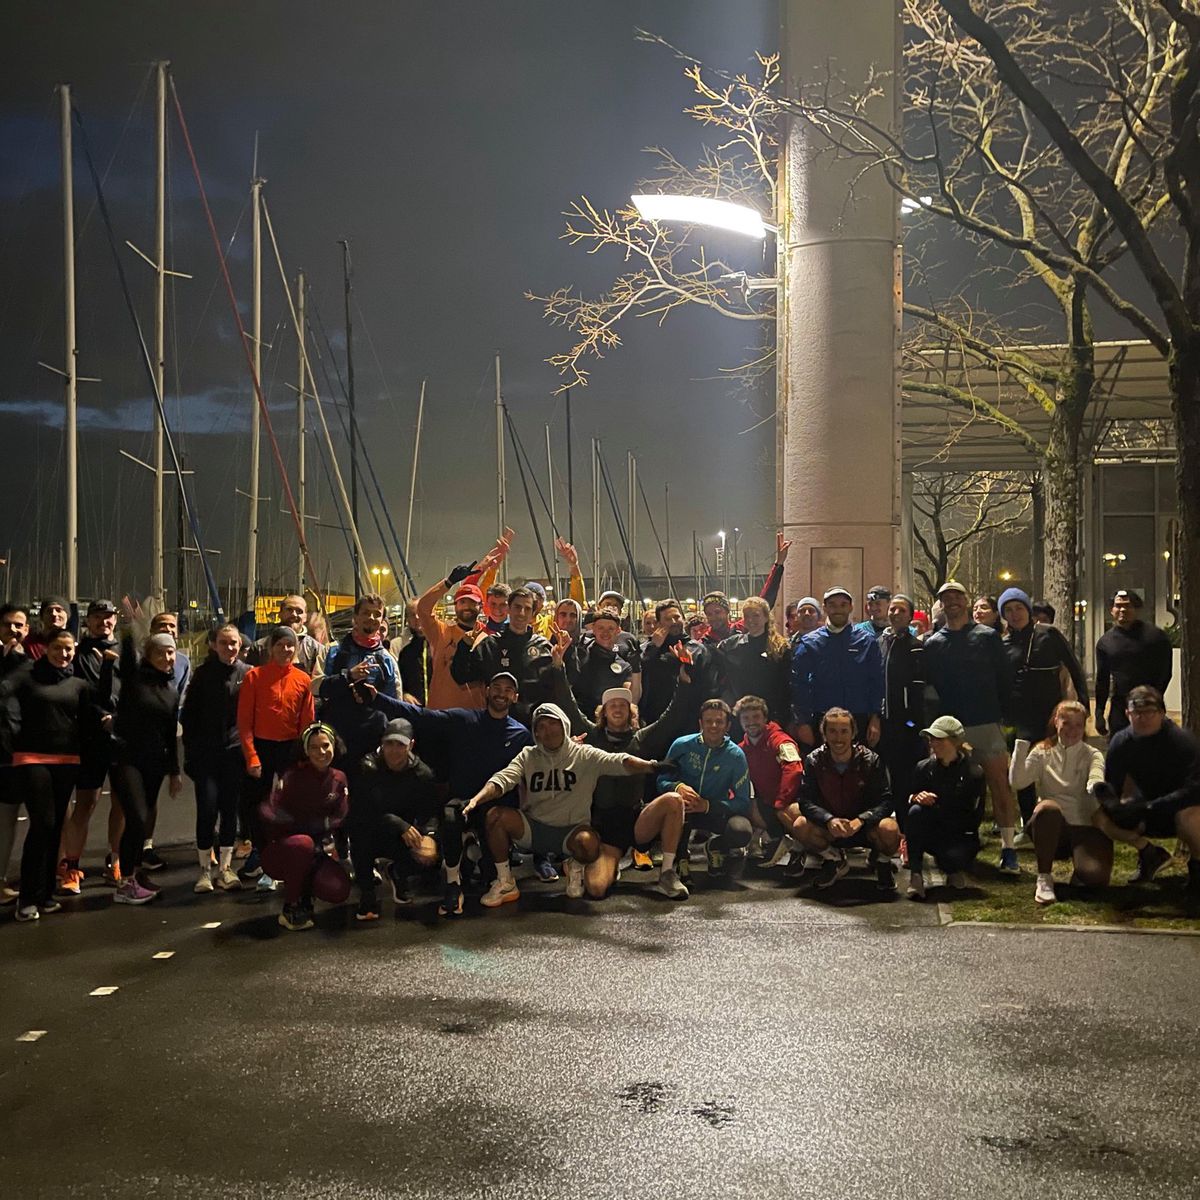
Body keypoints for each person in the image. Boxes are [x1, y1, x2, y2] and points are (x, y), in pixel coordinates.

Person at [461, 702, 662, 908]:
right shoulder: (528, 755)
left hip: (570, 832)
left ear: (564, 724)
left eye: (552, 723)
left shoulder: (584, 754)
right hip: (534, 829)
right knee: (495, 815)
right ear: (536, 733)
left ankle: (576, 865)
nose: (547, 730)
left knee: (589, 843)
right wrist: (477, 799)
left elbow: (620, 761)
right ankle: (505, 882)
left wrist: (653, 766)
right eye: (541, 727)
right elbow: (503, 779)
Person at [366, 672, 532, 916]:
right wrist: (377, 698)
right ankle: (453, 883)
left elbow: (537, 764)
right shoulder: (464, 719)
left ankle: (472, 852)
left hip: (494, 811)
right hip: (460, 802)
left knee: (489, 876)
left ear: (515, 697)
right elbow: (421, 715)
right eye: (496, 687)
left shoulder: (521, 735)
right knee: (450, 817)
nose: (501, 693)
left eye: (508, 689)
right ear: (486, 691)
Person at [549, 632, 698, 900]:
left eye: (623, 705)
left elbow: (672, 717)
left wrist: (684, 683)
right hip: (604, 826)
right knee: (595, 889)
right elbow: (568, 706)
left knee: (674, 801)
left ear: (631, 713)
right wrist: (558, 668)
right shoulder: (592, 736)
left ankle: (666, 873)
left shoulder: (641, 738)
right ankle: (610, 862)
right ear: (603, 712)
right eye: (611, 705)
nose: (617, 709)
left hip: (637, 819)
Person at [1, 629, 102, 921]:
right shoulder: (27, 675)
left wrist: (107, 666)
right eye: (58, 648)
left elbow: (92, 715)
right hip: (32, 759)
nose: (64, 654)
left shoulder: (78, 684)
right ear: (46, 649)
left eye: (69, 649)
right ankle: (27, 899)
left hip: (67, 760)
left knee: (57, 825)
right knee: (42, 823)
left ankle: (45, 895)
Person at [923, 579, 1019, 873]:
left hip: (986, 722)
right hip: (952, 730)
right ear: (941, 603)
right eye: (945, 598)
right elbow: (931, 688)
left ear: (966, 601)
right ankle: (954, 843)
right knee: (952, 789)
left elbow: (1004, 678)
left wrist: (1003, 716)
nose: (951, 602)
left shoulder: (988, 637)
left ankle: (1009, 848)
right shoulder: (933, 643)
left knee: (999, 787)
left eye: (956, 596)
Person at [998, 586, 1090, 833]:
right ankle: (1030, 826)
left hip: (1051, 716)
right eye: (1008, 610)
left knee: (1060, 768)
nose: (1015, 614)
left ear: (1028, 609)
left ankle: (1068, 820)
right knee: (1022, 774)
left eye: (1019, 608)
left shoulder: (1048, 635)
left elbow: (1074, 667)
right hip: (1019, 721)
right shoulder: (1003, 644)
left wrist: (1084, 705)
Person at [1093, 686, 1200, 893]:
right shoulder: (1121, 742)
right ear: (1127, 714)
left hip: (1182, 808)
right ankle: (1150, 854)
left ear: (1161, 713)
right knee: (1099, 817)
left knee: (1191, 818)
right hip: (1146, 808)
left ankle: (1197, 871)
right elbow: (1113, 784)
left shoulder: (1182, 742)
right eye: (1137, 713)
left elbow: (1195, 790)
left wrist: (1150, 807)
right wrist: (1113, 804)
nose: (1143, 718)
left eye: (1149, 712)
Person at [237, 625, 316, 889]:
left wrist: (305, 755)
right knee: (257, 807)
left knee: (288, 807)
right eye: (280, 645)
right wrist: (252, 757)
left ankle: (290, 855)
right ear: (271, 647)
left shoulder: (302, 679)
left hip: (290, 749)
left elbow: (307, 722)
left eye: (290, 645)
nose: (286, 650)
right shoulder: (254, 677)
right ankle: (263, 856)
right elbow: (245, 723)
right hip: (262, 747)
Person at [107, 631, 182, 906]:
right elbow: (127, 662)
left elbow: (170, 732)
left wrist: (174, 772)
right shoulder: (135, 680)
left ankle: (135, 874)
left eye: (171, 652)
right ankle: (125, 882)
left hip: (155, 763)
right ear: (148, 656)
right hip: (127, 760)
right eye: (160, 652)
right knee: (136, 818)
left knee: (145, 820)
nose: (167, 657)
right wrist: (129, 631)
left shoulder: (171, 691)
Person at [785, 708, 898, 891]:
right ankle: (834, 859)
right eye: (833, 731)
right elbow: (805, 801)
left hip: (863, 827)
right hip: (831, 828)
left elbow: (886, 801)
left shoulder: (871, 760)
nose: (838, 738)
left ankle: (882, 862)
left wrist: (862, 820)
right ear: (824, 734)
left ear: (853, 733)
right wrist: (828, 819)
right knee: (799, 825)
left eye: (844, 731)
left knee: (890, 829)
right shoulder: (814, 760)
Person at [1009, 700, 1108, 906]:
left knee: (1094, 877)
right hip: (1053, 826)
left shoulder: (1092, 754)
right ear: (1056, 722)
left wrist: (1095, 784)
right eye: (1067, 723)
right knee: (1047, 808)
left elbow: (1097, 773)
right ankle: (1044, 878)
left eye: (1078, 725)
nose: (1072, 730)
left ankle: (1081, 870)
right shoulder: (1042, 751)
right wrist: (1020, 747)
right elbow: (1018, 782)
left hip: (1084, 826)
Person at [56, 598, 122, 895]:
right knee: (86, 804)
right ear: (88, 620)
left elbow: (134, 690)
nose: (104, 622)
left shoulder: (126, 652)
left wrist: (120, 719)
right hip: (91, 739)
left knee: (121, 804)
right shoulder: (78, 653)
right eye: (98, 616)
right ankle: (72, 867)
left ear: (115, 621)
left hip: (120, 739)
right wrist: (101, 717)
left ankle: (116, 860)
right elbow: (83, 695)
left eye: (109, 617)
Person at [347, 718, 442, 920]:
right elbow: (361, 813)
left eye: (400, 744)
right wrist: (397, 823)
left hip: (403, 835)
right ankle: (367, 892)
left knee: (431, 855)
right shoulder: (368, 767)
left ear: (411, 745)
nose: (394, 750)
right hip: (373, 830)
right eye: (389, 743)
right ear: (382, 743)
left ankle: (398, 871)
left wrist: (430, 836)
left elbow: (430, 812)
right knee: (359, 834)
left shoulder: (422, 773)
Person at [260, 723, 351, 931]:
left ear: (334, 746)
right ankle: (291, 906)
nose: (321, 752)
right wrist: (301, 826)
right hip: (283, 851)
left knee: (339, 890)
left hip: (315, 852)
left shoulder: (339, 779)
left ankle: (306, 894)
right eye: (314, 747)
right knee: (303, 843)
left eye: (326, 746)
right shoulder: (292, 776)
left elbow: (341, 816)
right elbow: (268, 811)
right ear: (305, 751)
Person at [181, 624, 250, 894]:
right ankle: (204, 871)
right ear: (214, 644)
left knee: (230, 810)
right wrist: (190, 754)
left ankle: (225, 868)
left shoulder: (247, 673)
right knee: (207, 810)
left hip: (234, 754)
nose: (229, 648)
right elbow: (188, 717)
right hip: (206, 755)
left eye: (233, 643)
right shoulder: (202, 674)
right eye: (224, 642)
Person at [656, 699, 754, 881]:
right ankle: (681, 859)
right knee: (669, 814)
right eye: (708, 721)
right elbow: (661, 780)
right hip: (684, 810)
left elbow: (742, 802)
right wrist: (677, 786)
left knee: (741, 831)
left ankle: (716, 846)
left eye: (719, 722)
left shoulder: (736, 756)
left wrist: (708, 805)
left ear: (728, 726)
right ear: (700, 723)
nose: (714, 726)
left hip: (715, 811)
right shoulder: (682, 745)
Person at [790, 587, 884, 749]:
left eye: (843, 604)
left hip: (859, 718)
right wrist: (803, 722)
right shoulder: (810, 643)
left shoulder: (867, 641)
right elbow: (799, 684)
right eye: (832, 605)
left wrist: (875, 718)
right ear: (825, 608)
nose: (838, 609)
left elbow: (877, 681)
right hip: (822, 719)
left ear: (851, 607)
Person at [904, 715, 985, 900]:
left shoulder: (974, 772)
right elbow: (908, 797)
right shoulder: (924, 767)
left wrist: (938, 805)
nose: (933, 744)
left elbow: (974, 817)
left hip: (959, 835)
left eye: (939, 739)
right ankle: (916, 876)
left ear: (955, 742)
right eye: (931, 739)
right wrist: (917, 798)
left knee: (953, 859)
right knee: (915, 812)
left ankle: (954, 868)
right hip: (934, 831)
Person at [450, 586, 554, 724]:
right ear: (509, 609)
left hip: (534, 728)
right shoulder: (490, 645)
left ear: (533, 613)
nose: (521, 613)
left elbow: (556, 691)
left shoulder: (543, 647)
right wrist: (464, 646)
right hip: (497, 727)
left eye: (527, 608)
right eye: (517, 607)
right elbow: (461, 676)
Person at [878, 593, 926, 835]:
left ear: (910, 616)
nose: (896, 614)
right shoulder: (880, 642)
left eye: (902, 610)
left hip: (904, 725)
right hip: (880, 724)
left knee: (902, 780)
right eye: (893, 610)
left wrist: (910, 723)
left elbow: (918, 694)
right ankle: (881, 833)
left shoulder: (916, 647)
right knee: (878, 780)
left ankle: (906, 834)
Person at [1094, 589, 1173, 738]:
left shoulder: (1156, 637)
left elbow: (1165, 672)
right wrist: (1099, 713)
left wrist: (1154, 699)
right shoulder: (1105, 642)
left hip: (1150, 705)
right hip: (1120, 707)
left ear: (1136, 609)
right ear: (1112, 610)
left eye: (1128, 606)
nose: (1123, 609)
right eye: (1118, 606)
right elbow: (1102, 680)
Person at [733, 695, 803, 856]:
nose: (751, 722)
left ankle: (805, 849)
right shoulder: (740, 750)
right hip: (766, 804)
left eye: (756, 716)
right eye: (746, 718)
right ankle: (769, 836)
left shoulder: (782, 741)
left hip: (791, 802)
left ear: (765, 718)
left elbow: (794, 770)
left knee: (792, 814)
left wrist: (781, 802)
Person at [714, 597, 792, 740]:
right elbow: (719, 674)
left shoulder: (781, 648)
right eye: (747, 616)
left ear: (766, 617)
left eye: (755, 615)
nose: (751, 620)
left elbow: (785, 686)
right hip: (741, 716)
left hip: (771, 716)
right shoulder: (730, 646)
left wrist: (781, 717)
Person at [640, 599, 714, 724]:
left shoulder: (697, 649)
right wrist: (654, 647)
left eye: (676, 617)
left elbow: (706, 683)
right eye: (668, 619)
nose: (674, 622)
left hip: (688, 717)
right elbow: (639, 672)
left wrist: (686, 665)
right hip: (654, 719)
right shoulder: (647, 648)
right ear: (659, 623)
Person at [0, 603, 29, 903]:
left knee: (7, 820)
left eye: (19, 625)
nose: (14, 630)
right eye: (8, 624)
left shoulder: (29, 665)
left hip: (15, 754)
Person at [568, 606, 641, 712]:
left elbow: (633, 700)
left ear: (618, 631)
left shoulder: (624, 666)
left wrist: (636, 670)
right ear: (593, 629)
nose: (605, 632)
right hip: (578, 716)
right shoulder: (580, 651)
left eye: (610, 628)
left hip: (606, 720)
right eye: (601, 628)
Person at [248, 595, 327, 676]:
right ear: (280, 613)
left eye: (299, 611)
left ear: (305, 617)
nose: (294, 614)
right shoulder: (259, 647)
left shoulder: (317, 650)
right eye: (289, 610)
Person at [23, 596, 71, 661]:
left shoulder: (75, 646)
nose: (54, 614)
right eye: (49, 611)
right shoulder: (29, 644)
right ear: (42, 617)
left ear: (67, 615)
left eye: (58, 610)